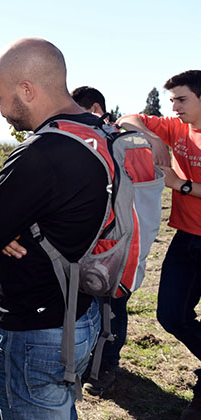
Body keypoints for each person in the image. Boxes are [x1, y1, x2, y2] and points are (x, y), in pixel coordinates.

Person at [0, 38, 105, 419]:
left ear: (26, 90)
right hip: (83, 310)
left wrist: (5, 226)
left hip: (36, 329)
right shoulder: (100, 133)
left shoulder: (40, 153)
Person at [117, 70, 201, 420]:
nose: (174, 107)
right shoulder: (176, 127)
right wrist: (151, 136)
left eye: (181, 99)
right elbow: (126, 119)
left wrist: (179, 184)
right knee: (170, 314)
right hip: (186, 237)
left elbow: (178, 183)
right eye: (171, 101)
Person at [69, 86, 129, 395]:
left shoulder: (121, 143)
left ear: (94, 109)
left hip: (118, 246)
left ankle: (107, 366)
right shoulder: (93, 141)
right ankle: (93, 359)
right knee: (96, 304)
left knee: (115, 306)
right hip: (95, 245)